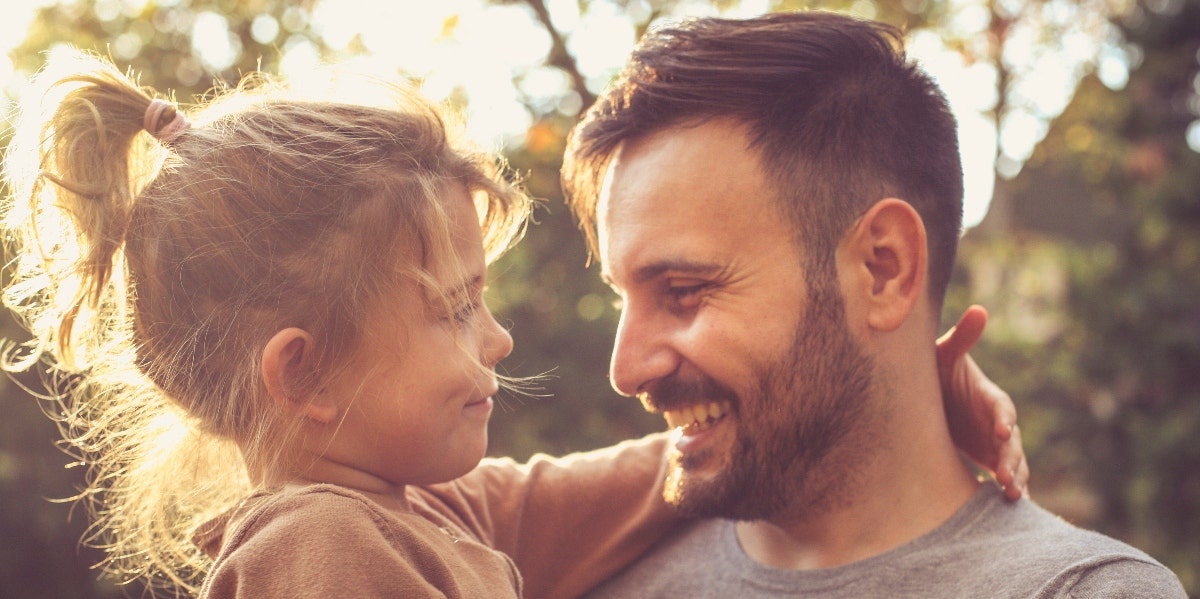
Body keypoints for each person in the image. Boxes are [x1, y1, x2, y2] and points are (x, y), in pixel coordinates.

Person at [2, 48, 1019, 599]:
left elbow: (630, 483)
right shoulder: (322, 549)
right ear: (304, 375)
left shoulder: (424, 509)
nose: (497, 338)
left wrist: (887, 391)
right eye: (452, 308)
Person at [560, 11, 1187, 598]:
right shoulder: (588, 576)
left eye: (684, 291)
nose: (625, 369)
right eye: (622, 297)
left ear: (882, 269)